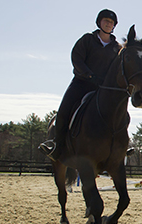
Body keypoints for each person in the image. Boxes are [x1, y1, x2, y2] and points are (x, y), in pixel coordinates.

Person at [39, 9, 120, 161]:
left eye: (111, 22)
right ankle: (57, 144)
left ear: (114, 26)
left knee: (119, 112)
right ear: (99, 22)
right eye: (106, 21)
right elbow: (76, 58)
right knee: (64, 108)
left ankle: (121, 144)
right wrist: (89, 75)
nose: (108, 24)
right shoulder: (87, 39)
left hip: (102, 89)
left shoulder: (117, 47)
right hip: (81, 83)